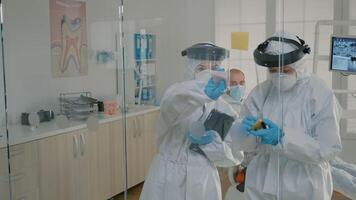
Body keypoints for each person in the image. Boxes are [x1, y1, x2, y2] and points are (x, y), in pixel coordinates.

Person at [229, 32, 342, 200]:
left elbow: (328, 148)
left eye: (285, 70)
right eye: (273, 70)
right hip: (262, 180)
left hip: (304, 183)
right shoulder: (261, 92)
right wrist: (243, 132)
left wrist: (283, 138)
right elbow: (249, 143)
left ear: (299, 66)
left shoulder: (319, 94)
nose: (279, 75)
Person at [139, 43, 243, 200]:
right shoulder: (176, 93)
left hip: (204, 178)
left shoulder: (225, 109)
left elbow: (234, 156)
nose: (208, 73)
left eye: (214, 68)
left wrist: (211, 144)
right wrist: (202, 93)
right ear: (190, 69)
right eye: (201, 69)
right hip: (168, 178)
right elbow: (174, 106)